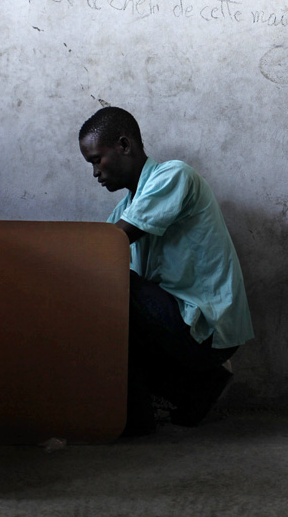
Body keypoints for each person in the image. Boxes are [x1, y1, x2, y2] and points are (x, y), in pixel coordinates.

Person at [78, 106, 254, 435]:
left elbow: (105, 251)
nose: (95, 173)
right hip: (174, 325)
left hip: (206, 329)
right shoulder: (124, 208)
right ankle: (191, 391)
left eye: (96, 159)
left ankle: (140, 417)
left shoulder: (174, 175)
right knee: (102, 301)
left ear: (124, 145)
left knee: (116, 288)